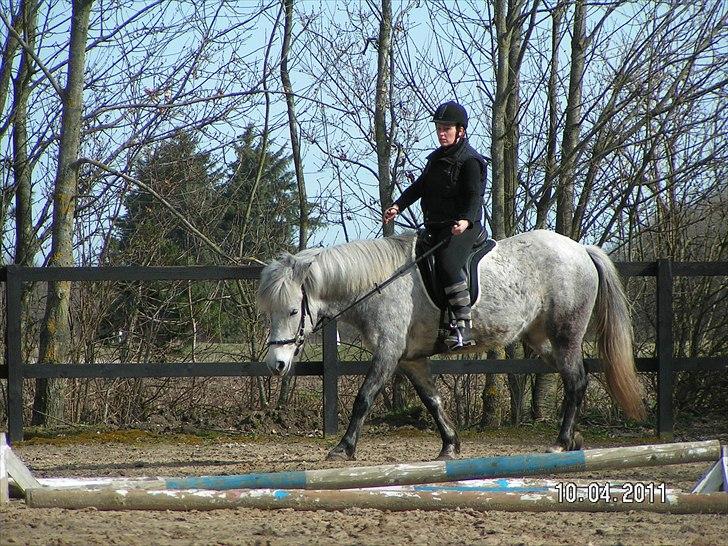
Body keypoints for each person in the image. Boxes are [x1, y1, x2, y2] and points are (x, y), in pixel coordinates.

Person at [384, 101, 488, 349]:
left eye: (446, 128)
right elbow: (420, 186)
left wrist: (465, 220)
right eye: (439, 128)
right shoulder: (436, 160)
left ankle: (464, 326)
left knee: (448, 263)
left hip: (464, 227)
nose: (441, 133)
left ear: (460, 130)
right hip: (436, 227)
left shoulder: (471, 161)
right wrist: (398, 205)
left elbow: (475, 195)